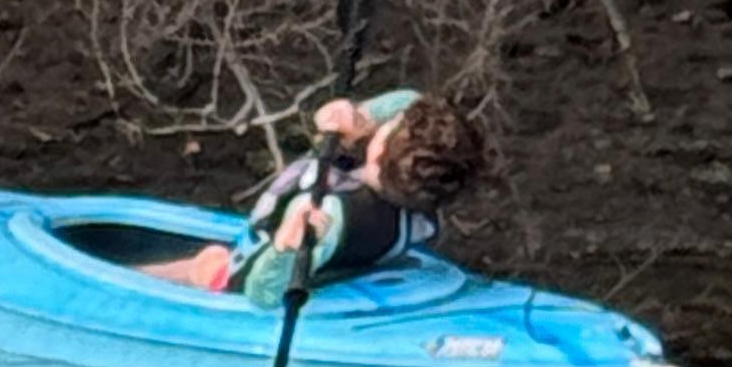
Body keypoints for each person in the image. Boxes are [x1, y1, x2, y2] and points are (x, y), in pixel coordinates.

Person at [151, 89, 488, 303]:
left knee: (205, 266)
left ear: (381, 148)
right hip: (334, 257)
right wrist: (361, 116)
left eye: (389, 124)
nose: (391, 116)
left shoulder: (332, 216)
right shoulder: (422, 202)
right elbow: (410, 101)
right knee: (207, 257)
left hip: (241, 282)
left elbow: (263, 293)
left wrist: (285, 246)